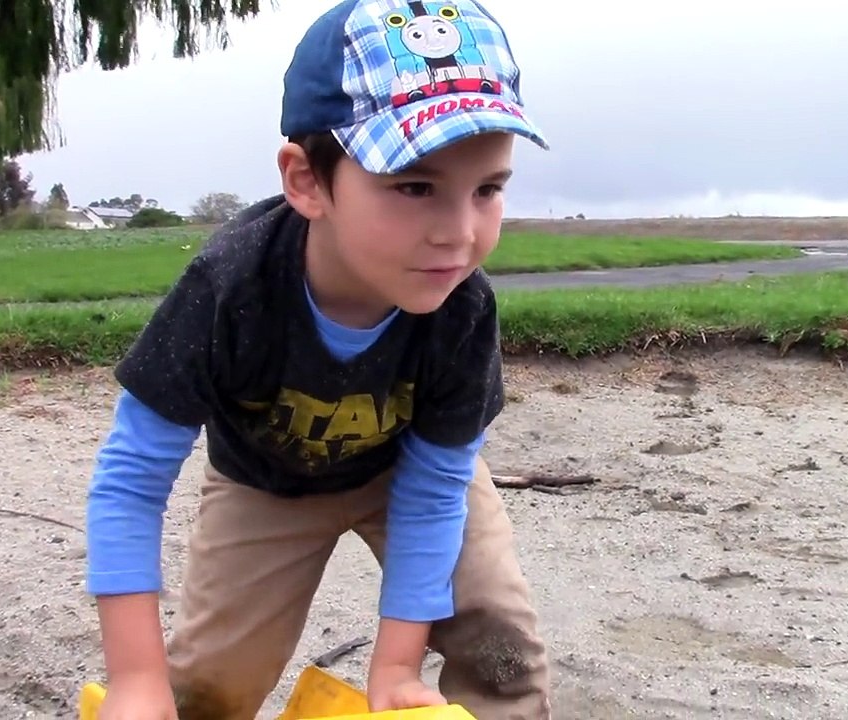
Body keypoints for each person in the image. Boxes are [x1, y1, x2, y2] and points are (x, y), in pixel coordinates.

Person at [84, 0, 552, 718]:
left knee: (502, 647)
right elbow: (130, 481)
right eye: (415, 187)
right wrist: (136, 677)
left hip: (406, 474)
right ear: (306, 181)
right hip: (264, 485)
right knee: (208, 689)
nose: (458, 234)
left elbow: (433, 493)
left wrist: (395, 670)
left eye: (488, 188)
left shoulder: (463, 310)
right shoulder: (229, 289)